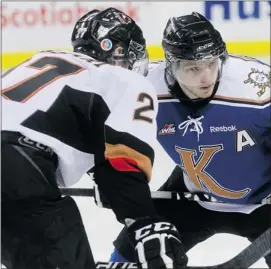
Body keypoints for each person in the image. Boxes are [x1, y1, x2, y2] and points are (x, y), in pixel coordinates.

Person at [1, 8, 188, 269]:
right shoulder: (125, 80)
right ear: (125, 52)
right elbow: (124, 159)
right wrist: (144, 221)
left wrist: (102, 176)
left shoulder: (41, 59)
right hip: (17, 171)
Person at [109, 12, 271, 267]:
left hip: (264, 203)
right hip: (192, 198)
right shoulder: (146, 89)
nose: (206, 76)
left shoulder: (257, 87)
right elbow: (109, 137)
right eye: (193, 67)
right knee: (129, 256)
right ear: (171, 65)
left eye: (212, 63)